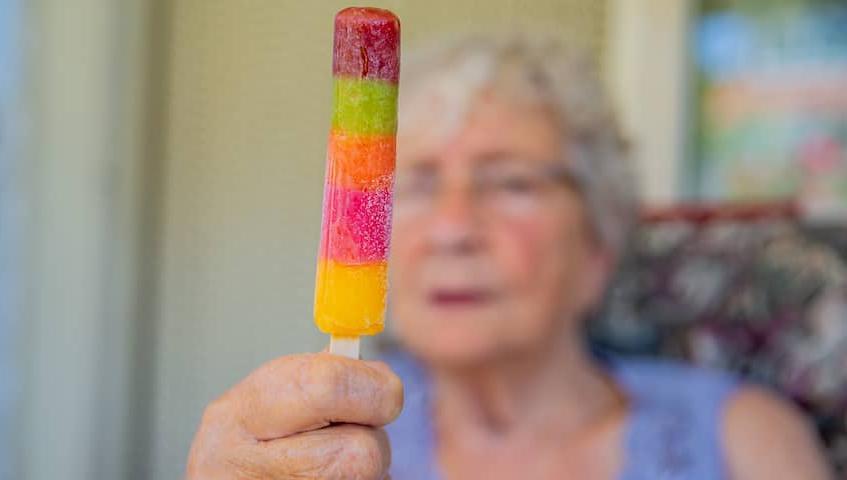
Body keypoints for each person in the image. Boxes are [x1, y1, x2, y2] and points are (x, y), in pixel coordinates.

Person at [186, 34, 832, 479]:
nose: (453, 227)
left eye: (511, 182)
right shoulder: (312, 445)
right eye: (416, 183)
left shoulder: (744, 439)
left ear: (599, 242)